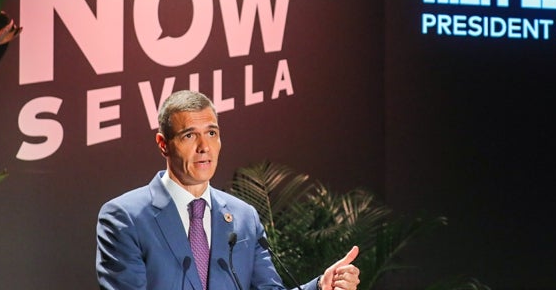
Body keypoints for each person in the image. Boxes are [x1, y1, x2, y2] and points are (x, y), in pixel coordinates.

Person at [97, 89, 361, 290]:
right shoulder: (125, 217)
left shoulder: (243, 217)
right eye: (189, 135)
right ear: (163, 144)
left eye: (211, 133)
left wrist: (320, 287)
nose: (204, 147)